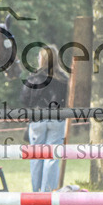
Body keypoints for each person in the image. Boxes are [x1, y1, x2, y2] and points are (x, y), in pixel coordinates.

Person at [20, 44, 68, 193]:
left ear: (41, 59)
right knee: (51, 157)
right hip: (56, 119)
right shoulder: (63, 79)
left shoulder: (33, 78)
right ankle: (47, 192)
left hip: (37, 118)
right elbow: (66, 101)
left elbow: (24, 99)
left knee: (36, 157)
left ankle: (36, 192)